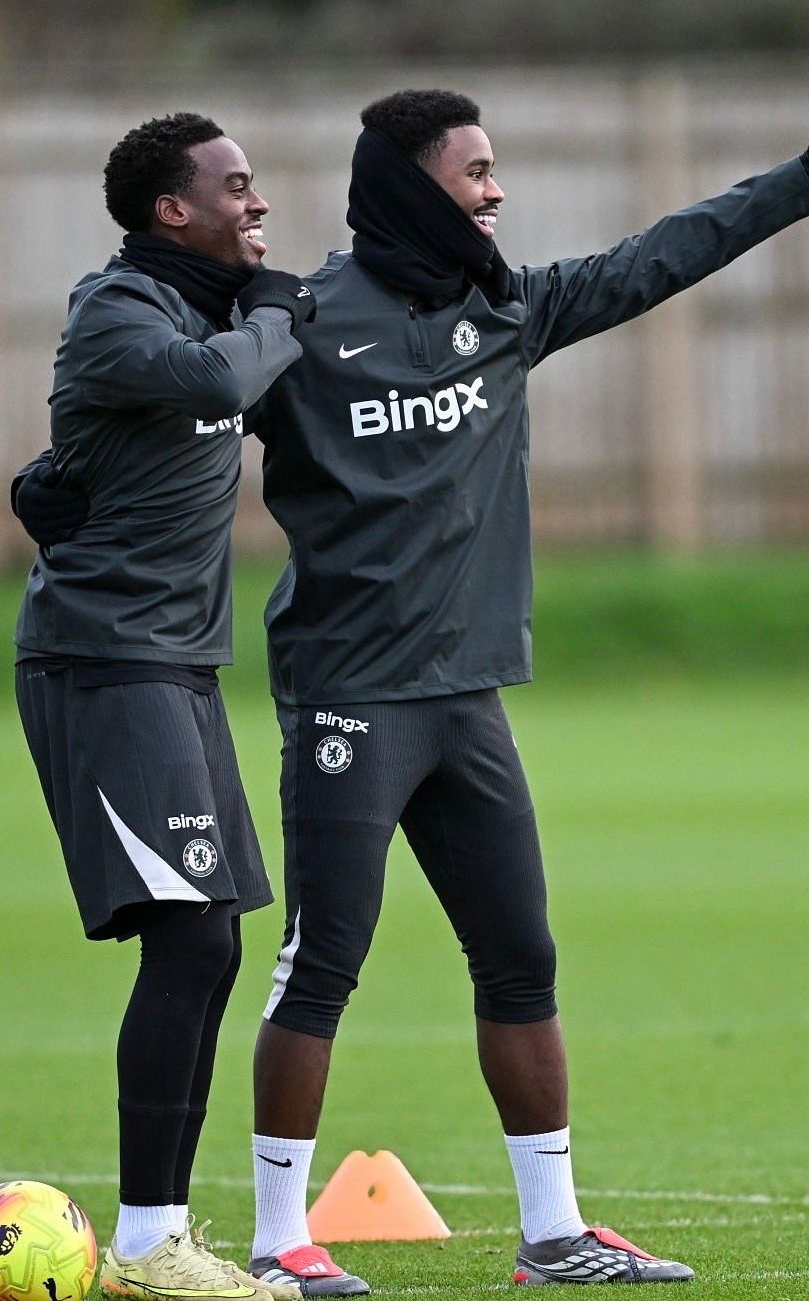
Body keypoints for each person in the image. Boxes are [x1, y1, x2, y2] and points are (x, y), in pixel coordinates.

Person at [18, 90, 809, 1292]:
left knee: (521, 954)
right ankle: (280, 1238)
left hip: (466, 695)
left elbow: (665, 253)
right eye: (474, 171)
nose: (496, 191)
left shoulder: (509, 309)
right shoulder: (295, 316)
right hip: (344, 694)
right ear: (409, 184)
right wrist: (55, 482)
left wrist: (795, 180)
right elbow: (169, 401)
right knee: (319, 962)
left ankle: (552, 1233)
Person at [11, 111, 314, 1301]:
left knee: (216, 936)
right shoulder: (120, 308)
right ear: (171, 209)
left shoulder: (217, 306)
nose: (257, 203)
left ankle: (158, 1240)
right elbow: (212, 380)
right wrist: (276, 314)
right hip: (102, 661)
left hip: (178, 665)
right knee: (187, 938)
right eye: (235, 187)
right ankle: (146, 1245)